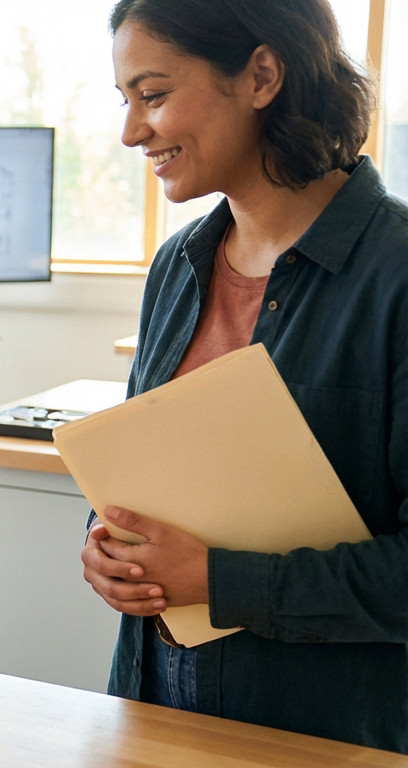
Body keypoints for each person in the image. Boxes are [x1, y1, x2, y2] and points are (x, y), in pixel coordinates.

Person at [83, 0, 408, 752]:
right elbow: (156, 479)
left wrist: (221, 582)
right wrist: (110, 548)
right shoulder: (178, 265)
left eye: (154, 95)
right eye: (125, 101)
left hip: (323, 731)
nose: (133, 132)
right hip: (153, 703)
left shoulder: (394, 277)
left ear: (262, 74)